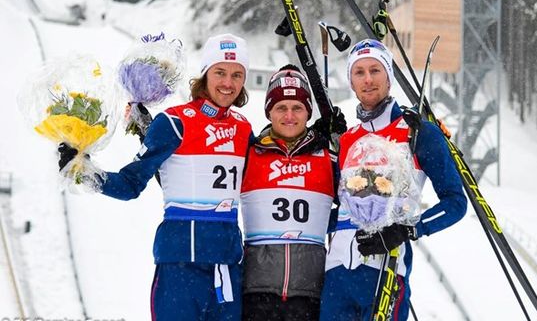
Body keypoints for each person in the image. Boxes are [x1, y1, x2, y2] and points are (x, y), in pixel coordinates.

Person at [58, 33, 253, 320]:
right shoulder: (174, 122)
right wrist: (82, 170)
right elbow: (130, 184)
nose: (228, 83)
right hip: (179, 266)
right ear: (204, 74)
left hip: (225, 266)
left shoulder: (244, 129)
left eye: (237, 75)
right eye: (220, 72)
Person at [319, 39, 468, 321]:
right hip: (336, 277)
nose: (368, 80)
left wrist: (407, 230)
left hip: (385, 274)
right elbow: (338, 207)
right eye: (359, 72)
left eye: (375, 70)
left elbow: (456, 203)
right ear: (351, 81)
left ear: (389, 76)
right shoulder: (348, 139)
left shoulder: (417, 133)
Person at [239, 64, 345, 321]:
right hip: (256, 294)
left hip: (310, 294)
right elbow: (201, 183)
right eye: (281, 108)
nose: (289, 115)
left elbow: (356, 206)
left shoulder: (327, 158)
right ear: (269, 112)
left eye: (297, 107)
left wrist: (341, 141)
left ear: (308, 112)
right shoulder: (250, 155)